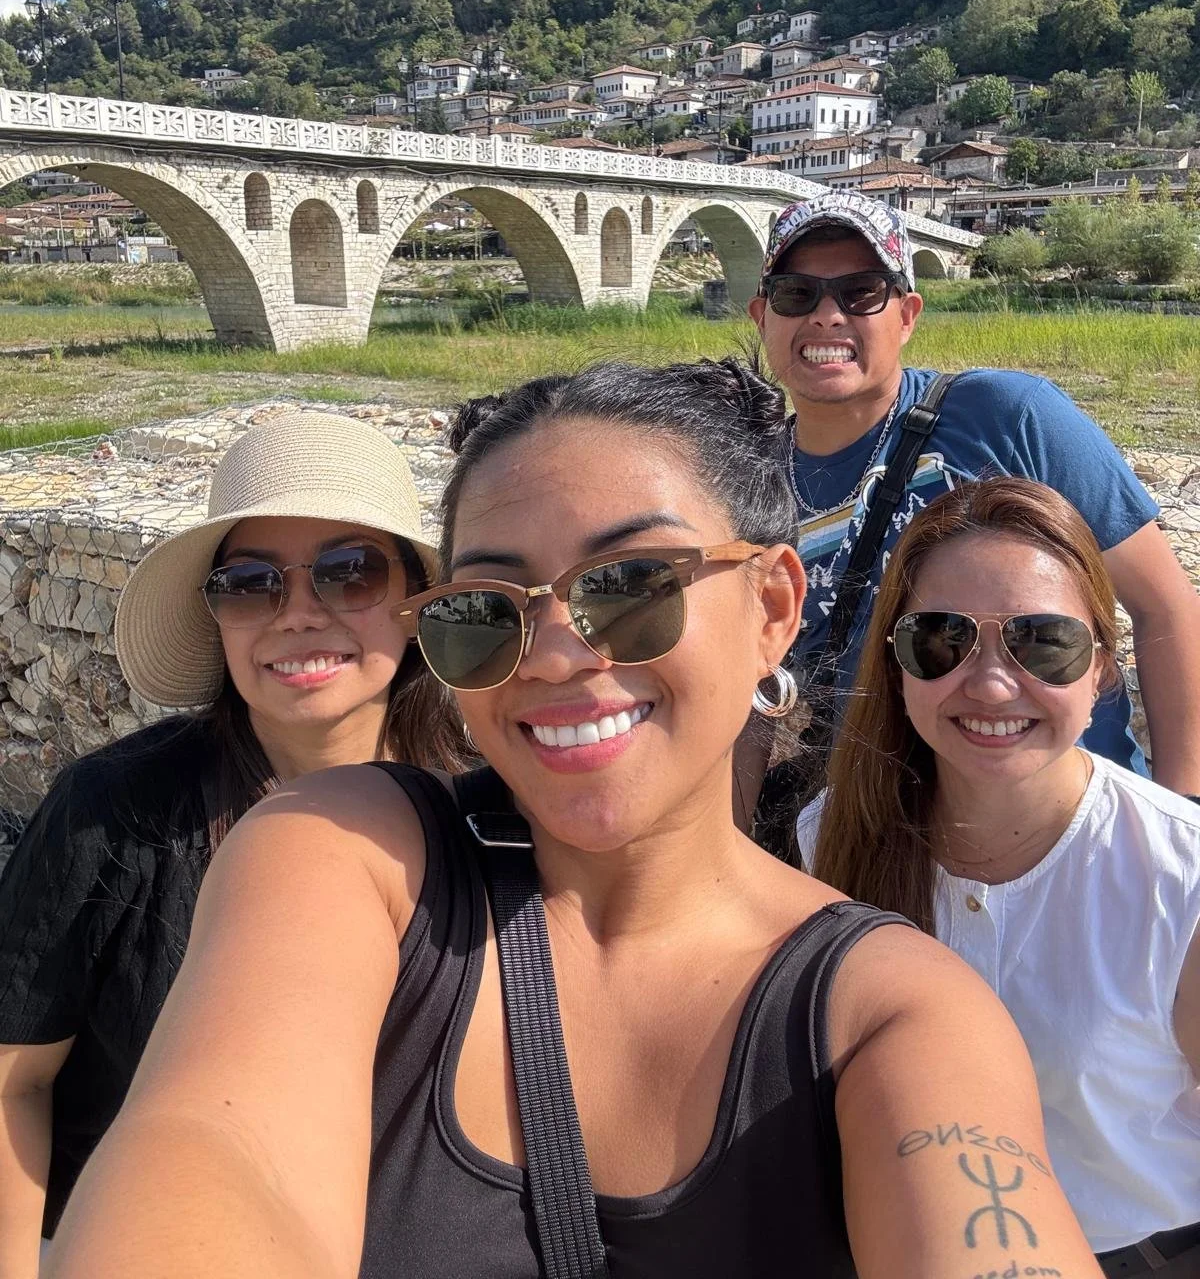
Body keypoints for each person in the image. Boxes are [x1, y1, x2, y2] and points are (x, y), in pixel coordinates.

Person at [47, 360, 1100, 1279]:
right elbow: (220, 1158)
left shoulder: (894, 1014)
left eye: (632, 583)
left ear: (774, 607)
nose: (553, 655)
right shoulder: (343, 858)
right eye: (488, 610)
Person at [0, 411, 447, 1277]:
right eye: (251, 585)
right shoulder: (117, 812)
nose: (299, 614)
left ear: (412, 601)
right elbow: (14, 1077)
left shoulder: (483, 806)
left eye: (349, 572)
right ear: (217, 619)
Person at [797, 478, 1200, 1271]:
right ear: (897, 661)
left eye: (1042, 642)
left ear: (1101, 672)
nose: (987, 683)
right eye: (942, 640)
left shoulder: (1179, 882)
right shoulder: (828, 835)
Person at [748, 188, 1200, 794]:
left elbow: (1165, 605)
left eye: (861, 292)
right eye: (796, 294)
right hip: (879, 833)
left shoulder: (1010, 417)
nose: (827, 315)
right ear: (762, 317)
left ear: (906, 315)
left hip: (1070, 814)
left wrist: (1183, 814)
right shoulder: (745, 479)